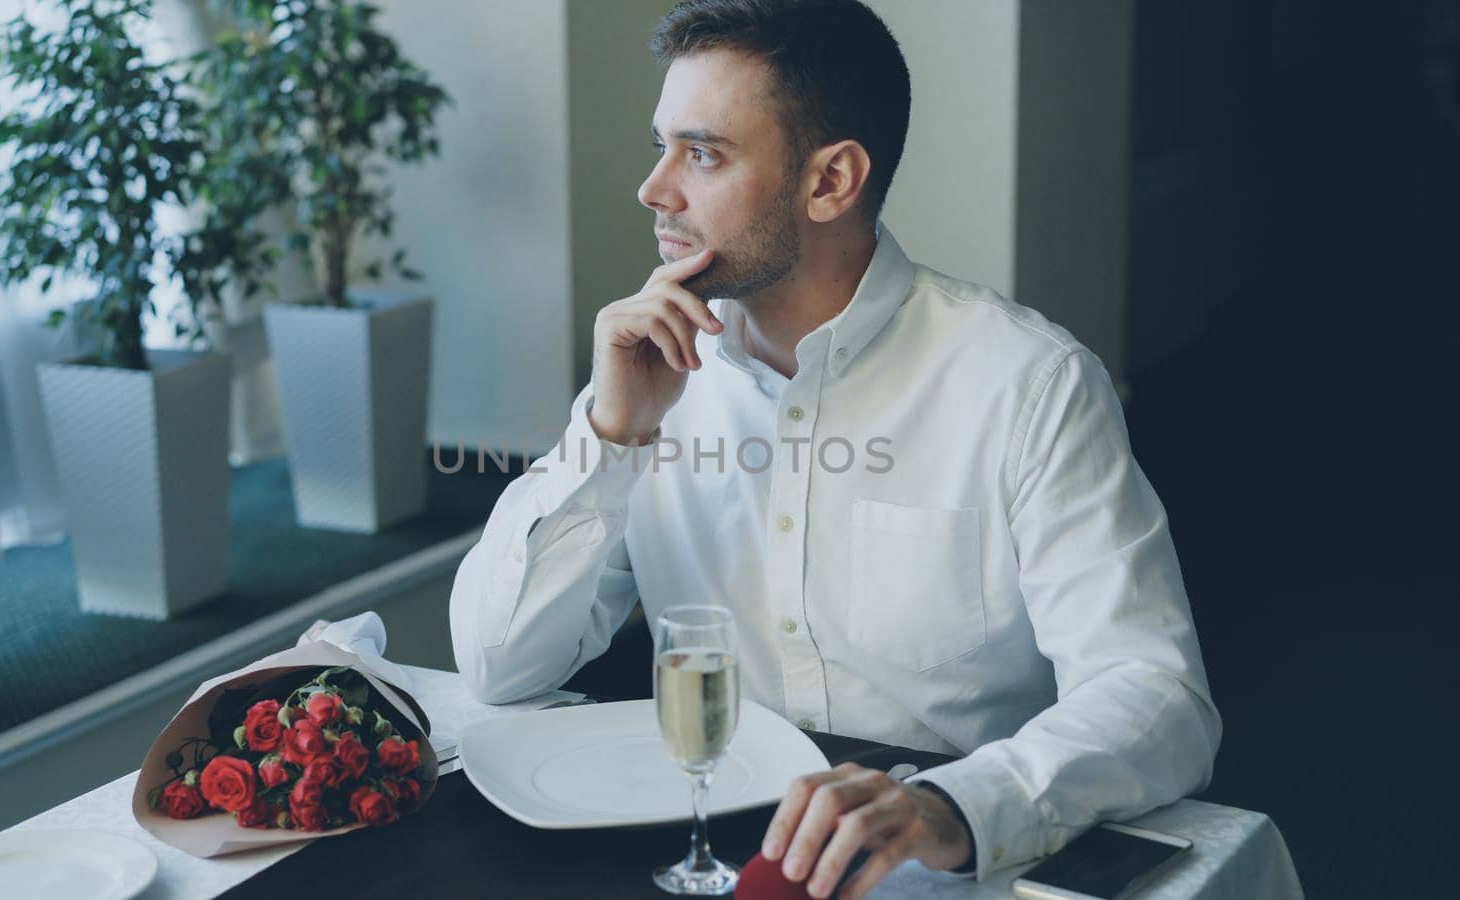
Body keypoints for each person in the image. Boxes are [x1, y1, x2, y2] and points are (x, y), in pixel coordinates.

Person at [449, 1, 1220, 896]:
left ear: (831, 182)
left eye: (702, 153)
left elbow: (1158, 698)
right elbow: (499, 668)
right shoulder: (650, 377)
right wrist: (611, 438)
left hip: (942, 868)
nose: (654, 189)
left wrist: (953, 806)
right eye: (660, 146)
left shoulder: (1029, 385)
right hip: (698, 860)